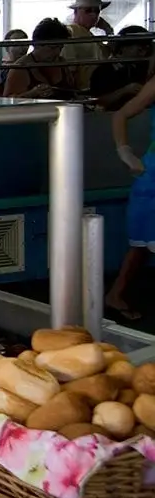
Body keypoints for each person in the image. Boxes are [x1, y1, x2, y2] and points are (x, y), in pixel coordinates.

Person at [108, 72, 155, 321]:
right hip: (153, 176)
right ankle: (116, 294)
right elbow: (121, 114)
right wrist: (125, 152)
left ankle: (116, 293)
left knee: (141, 247)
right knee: (140, 243)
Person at [4, 18, 76, 99]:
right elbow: (8, 101)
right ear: (37, 44)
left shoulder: (62, 63)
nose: (57, 52)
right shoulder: (21, 68)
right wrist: (32, 93)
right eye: (52, 48)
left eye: (60, 47)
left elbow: (72, 93)